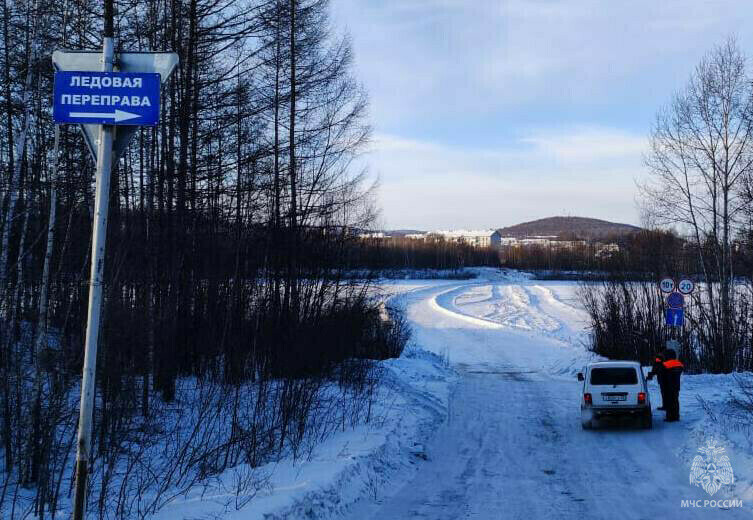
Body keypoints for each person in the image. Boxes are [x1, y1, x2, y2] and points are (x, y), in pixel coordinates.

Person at [660, 349, 684, 422]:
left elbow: (662, 376)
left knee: (669, 401)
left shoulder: (665, 364)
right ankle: (676, 416)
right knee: (675, 401)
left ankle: (669, 417)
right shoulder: (679, 364)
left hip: (668, 387)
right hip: (676, 386)